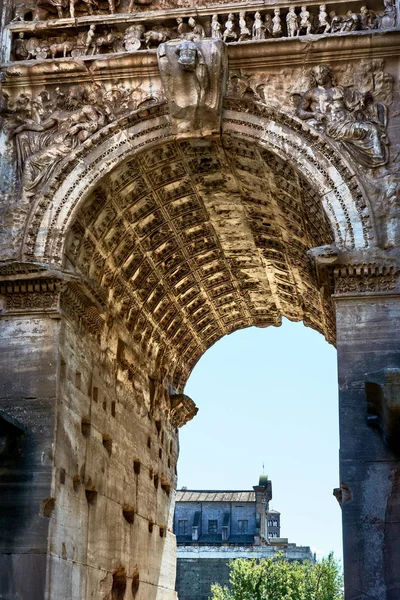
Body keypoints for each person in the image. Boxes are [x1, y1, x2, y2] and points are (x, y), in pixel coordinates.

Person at [296, 65, 388, 168]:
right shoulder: (312, 93)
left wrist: (364, 99)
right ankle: (379, 165)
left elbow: (355, 104)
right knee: (371, 130)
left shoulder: (341, 90)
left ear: (329, 74)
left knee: (373, 129)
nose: (319, 76)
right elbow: (299, 112)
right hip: (332, 125)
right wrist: (314, 114)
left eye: (322, 73)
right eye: (316, 74)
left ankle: (379, 165)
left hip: (348, 121)